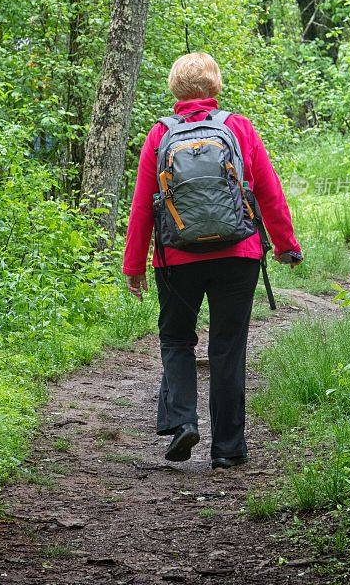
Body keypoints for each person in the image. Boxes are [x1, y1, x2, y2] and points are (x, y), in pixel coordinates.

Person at [123, 53, 302, 469]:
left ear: (175, 90)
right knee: (227, 348)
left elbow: (142, 208)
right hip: (237, 256)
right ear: (215, 87)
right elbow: (269, 192)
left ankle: (184, 421)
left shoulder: (159, 135)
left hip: (175, 258)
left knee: (176, 340)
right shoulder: (238, 128)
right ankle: (228, 449)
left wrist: (134, 266)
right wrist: (285, 244)